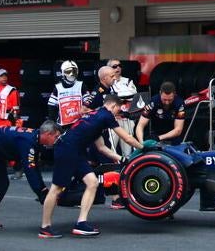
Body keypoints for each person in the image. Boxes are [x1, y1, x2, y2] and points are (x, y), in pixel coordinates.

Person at [40, 94, 146, 238]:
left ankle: (81, 223)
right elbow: (126, 137)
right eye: (117, 110)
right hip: (67, 149)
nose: (117, 114)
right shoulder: (106, 116)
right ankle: (45, 227)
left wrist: (122, 159)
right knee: (56, 189)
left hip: (76, 151)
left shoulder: (95, 117)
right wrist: (143, 149)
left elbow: (102, 148)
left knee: (92, 182)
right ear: (113, 106)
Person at [0, 121, 61, 235]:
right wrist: (42, 192)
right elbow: (30, 170)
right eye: (56, 136)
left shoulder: (34, 139)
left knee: (3, 183)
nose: (56, 140)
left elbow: (32, 165)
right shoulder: (28, 141)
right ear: (47, 134)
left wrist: (42, 191)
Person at [135, 81, 186, 145]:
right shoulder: (153, 102)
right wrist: (141, 142)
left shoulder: (180, 104)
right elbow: (140, 125)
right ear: (160, 93)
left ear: (174, 94)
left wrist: (159, 138)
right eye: (164, 99)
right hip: (156, 134)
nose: (167, 102)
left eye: (170, 100)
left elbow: (178, 130)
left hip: (174, 137)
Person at [47, 60, 86, 130]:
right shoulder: (58, 88)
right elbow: (51, 106)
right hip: (63, 126)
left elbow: (88, 101)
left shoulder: (81, 85)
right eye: (68, 71)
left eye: (74, 71)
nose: (71, 74)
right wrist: (53, 125)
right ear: (62, 73)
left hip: (80, 124)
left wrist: (85, 106)